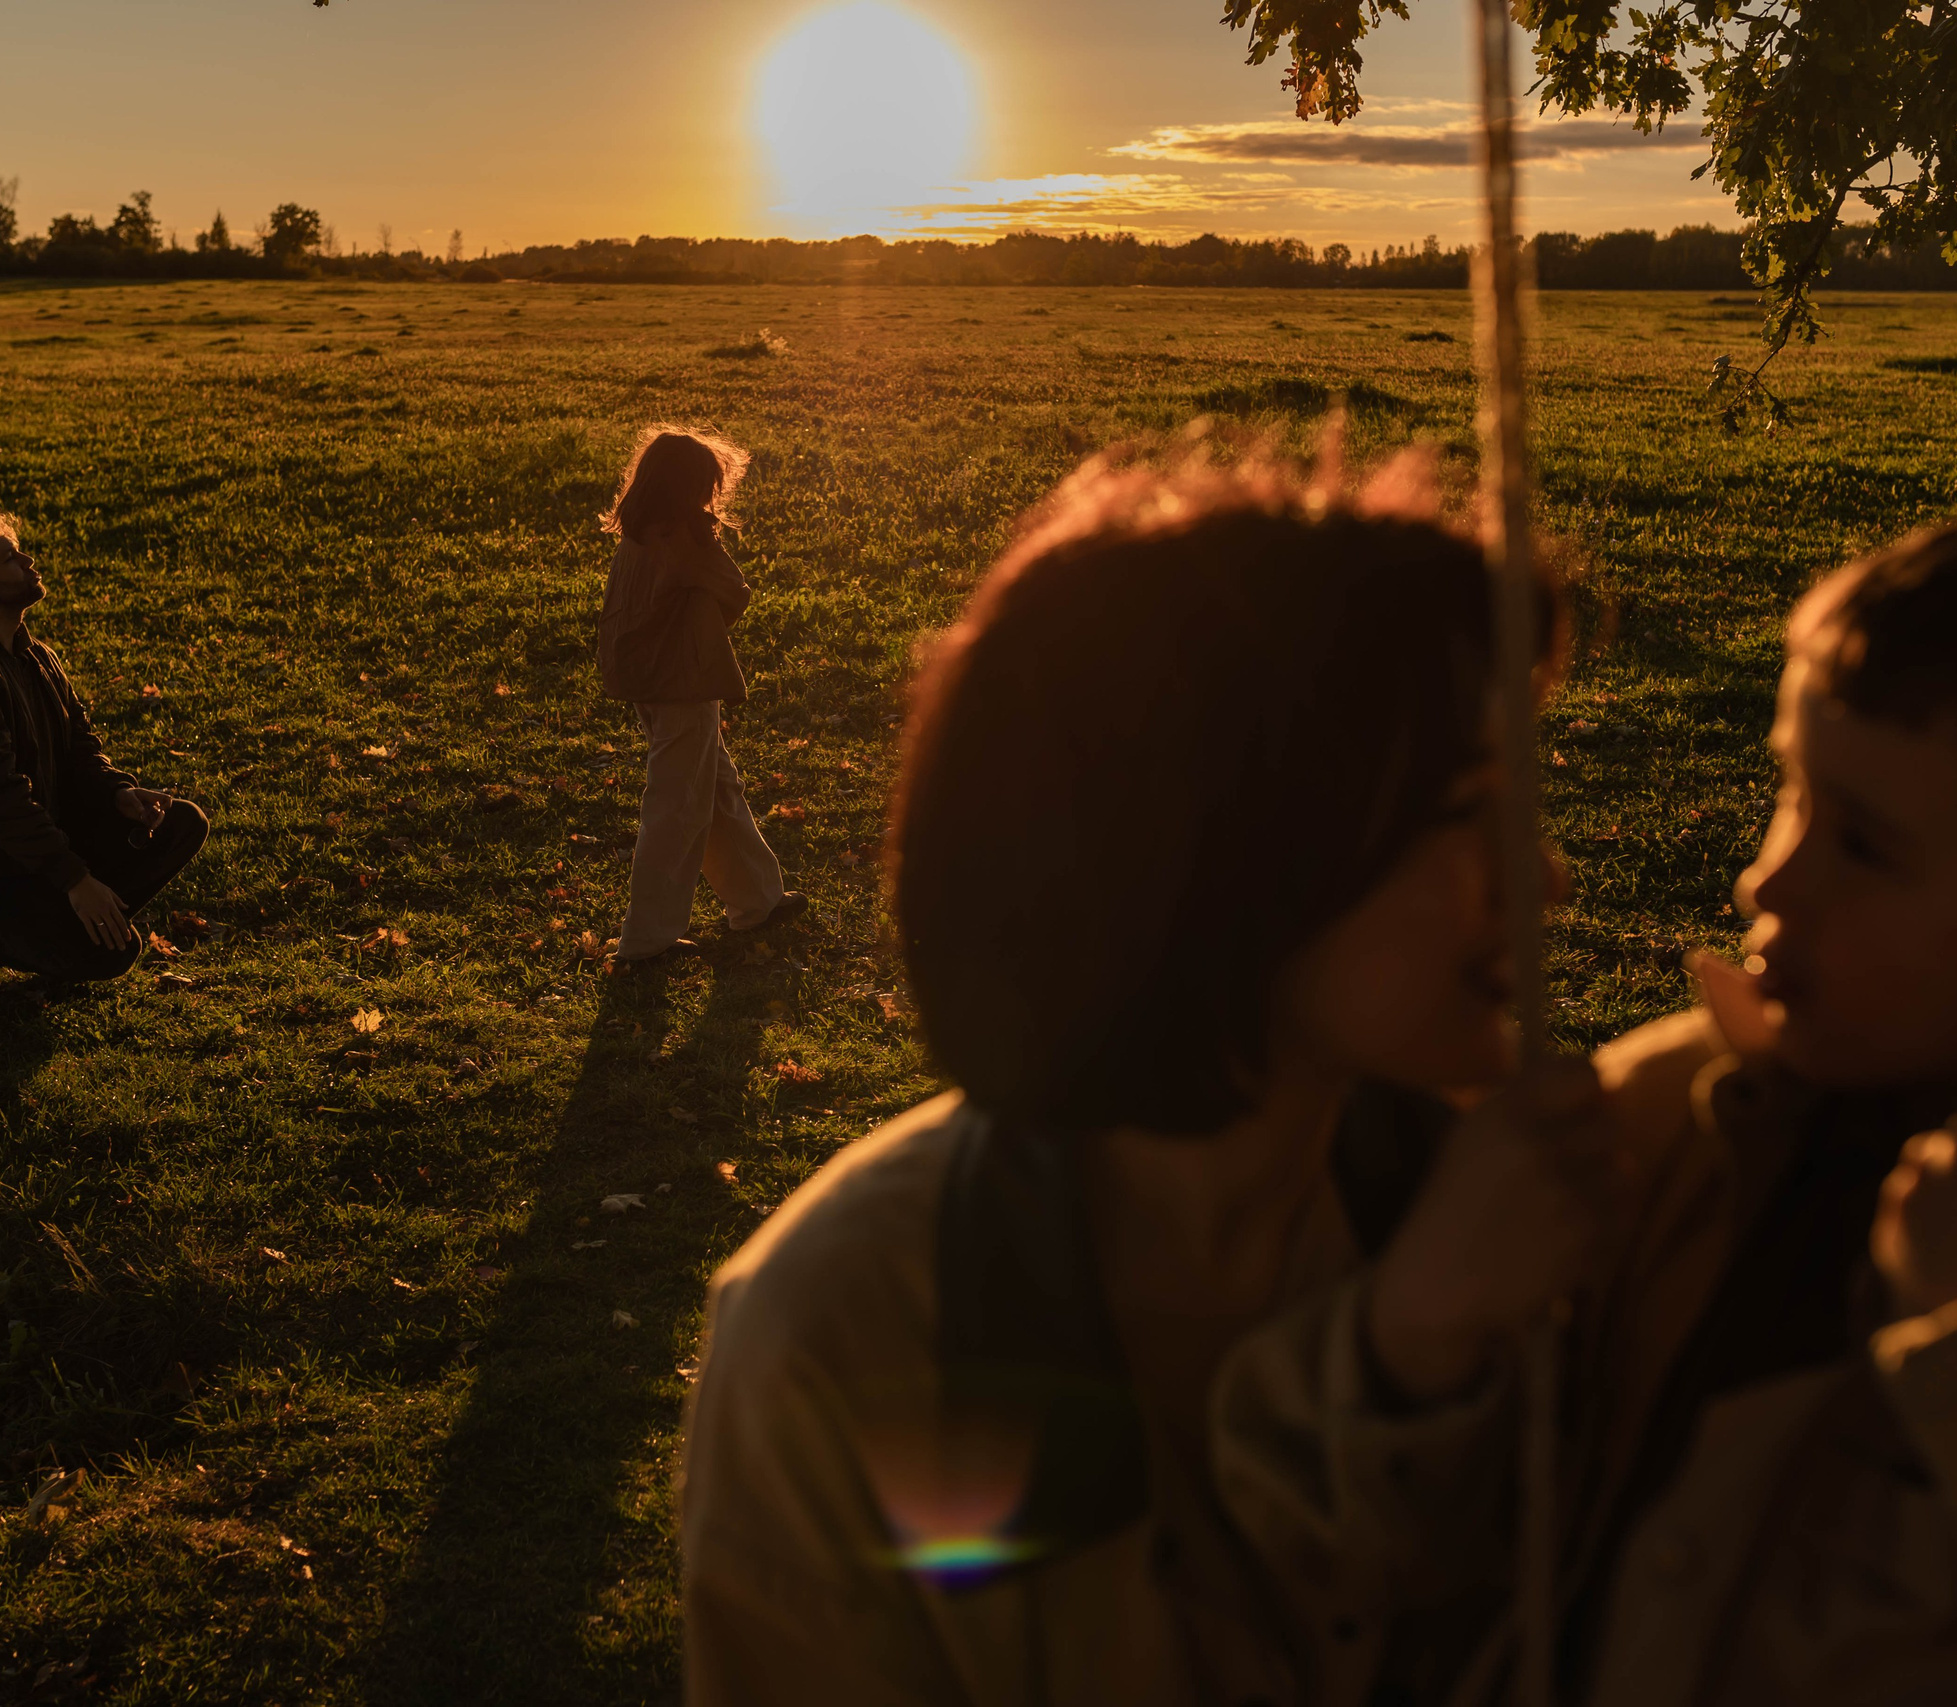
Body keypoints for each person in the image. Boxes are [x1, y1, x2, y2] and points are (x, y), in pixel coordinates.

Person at [676, 446, 1614, 1705]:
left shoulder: (1519, 1226)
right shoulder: (858, 1335)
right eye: (1463, 813)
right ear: (1223, 851)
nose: (1542, 878)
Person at [1221, 491, 1957, 1706]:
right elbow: (1315, 1571)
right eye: (1792, 796)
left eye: (1866, 848)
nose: (1763, 879)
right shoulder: (1658, 1126)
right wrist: (1413, 1337)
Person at [0, 503, 208, 989]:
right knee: (111, 955)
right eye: (11, 558)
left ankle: (67, 914)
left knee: (180, 823)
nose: (29, 563)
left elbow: (80, 748)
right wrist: (75, 880)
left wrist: (115, 793)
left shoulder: (34, 655)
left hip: (33, 835)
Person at [594, 426, 802, 968]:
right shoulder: (684, 537)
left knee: (711, 788)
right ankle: (647, 940)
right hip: (683, 682)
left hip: (648, 680)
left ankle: (757, 900)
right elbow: (735, 592)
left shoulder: (636, 533)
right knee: (677, 806)